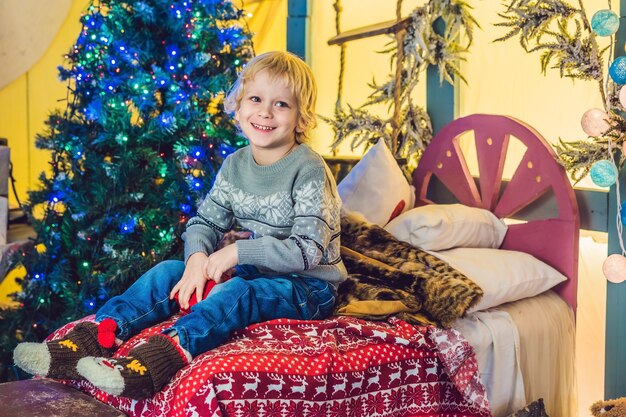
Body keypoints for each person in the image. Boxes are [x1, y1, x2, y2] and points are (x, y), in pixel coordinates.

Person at [13, 51, 347, 400]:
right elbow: (205, 221)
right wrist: (196, 261)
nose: (265, 112)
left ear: (301, 118)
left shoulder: (308, 168)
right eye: (256, 99)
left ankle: (162, 355)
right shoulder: (235, 165)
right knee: (167, 271)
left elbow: (309, 250)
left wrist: (235, 252)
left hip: (308, 285)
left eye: (281, 104)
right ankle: (95, 336)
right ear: (238, 104)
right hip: (260, 270)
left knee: (236, 293)